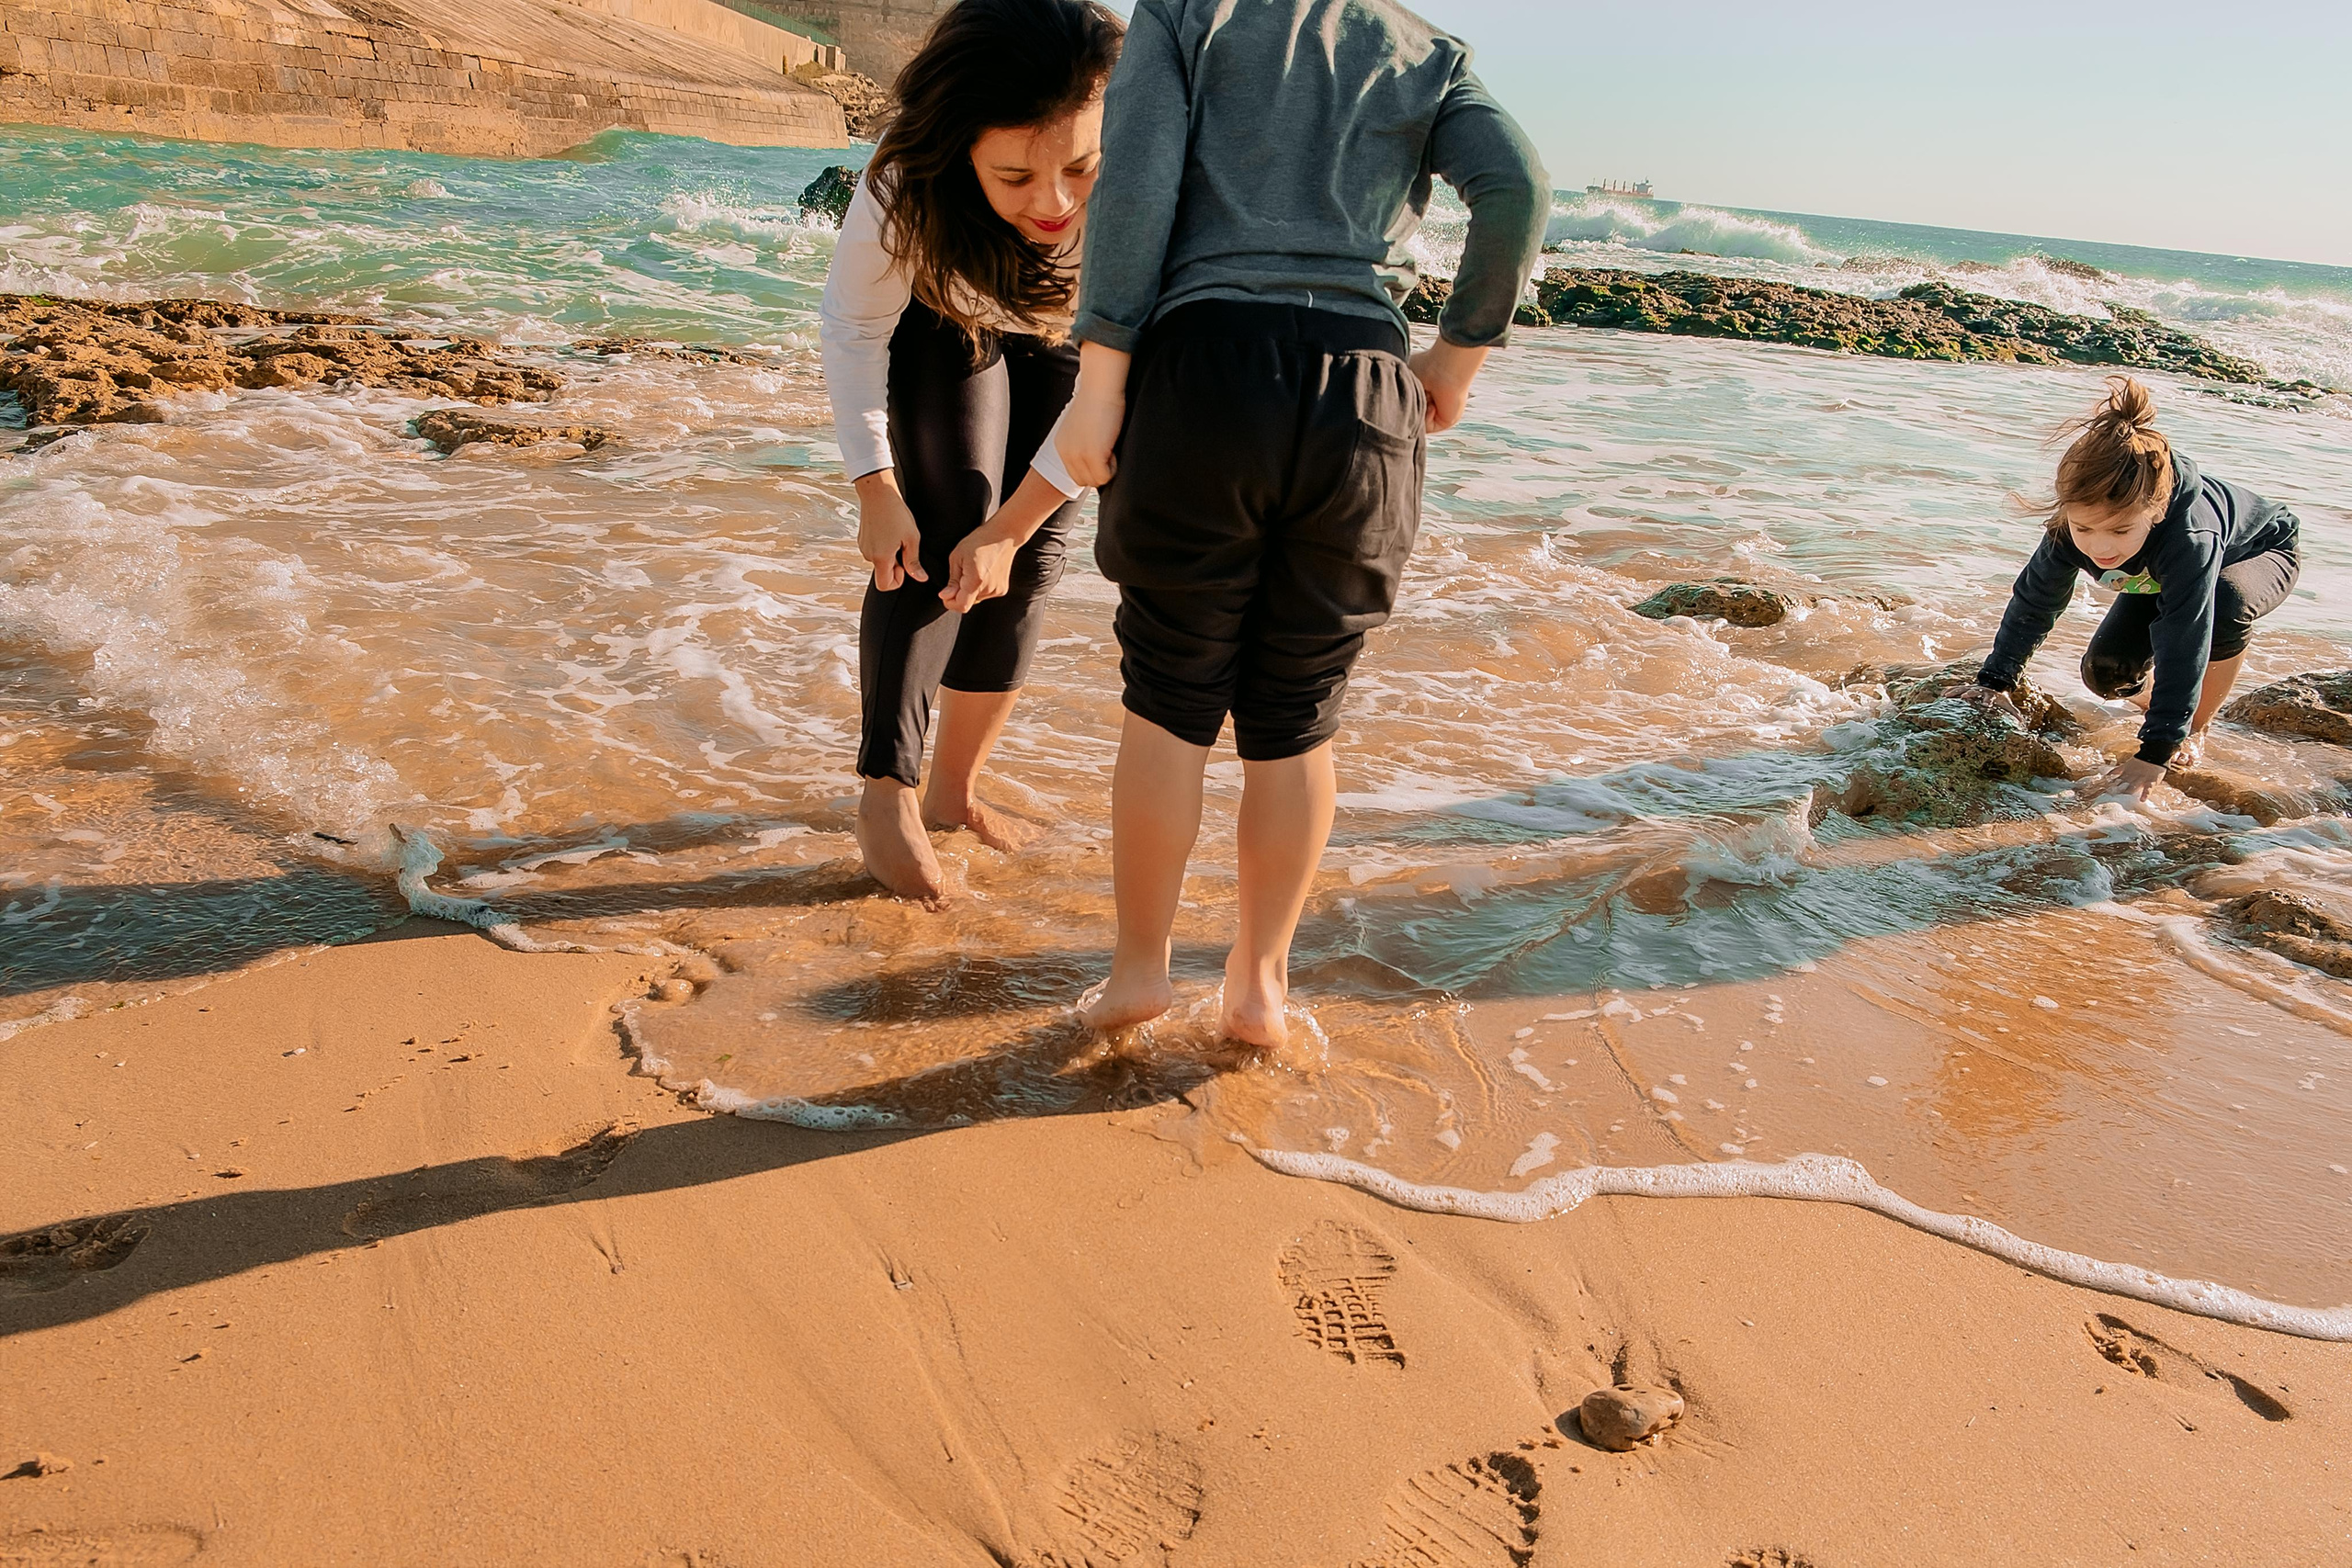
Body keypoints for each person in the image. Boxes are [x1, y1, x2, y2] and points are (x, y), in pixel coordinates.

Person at [1054, 0, 1549, 1047]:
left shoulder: (1189, 12)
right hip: (1365, 395)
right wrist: (1453, 360)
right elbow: (1516, 189)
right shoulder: (1425, 50)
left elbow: (1137, 182)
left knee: (1170, 696)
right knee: (1297, 710)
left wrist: (1101, 379)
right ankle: (1259, 990)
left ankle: (1140, 974)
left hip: (1207, 377)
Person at [819, 0, 1123, 903]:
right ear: (960, 150)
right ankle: (886, 791)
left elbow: (1108, 403)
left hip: (1072, 338)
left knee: (1025, 560)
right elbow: (853, 329)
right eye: (1014, 175)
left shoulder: (1154, 183)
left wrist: (1018, 527)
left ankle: (953, 795)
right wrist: (875, 487)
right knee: (949, 518)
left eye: (1079, 167)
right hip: (942, 319)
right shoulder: (903, 188)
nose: (1054, 203)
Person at [1955, 376, 2302, 802]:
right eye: (2085, 528)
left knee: (2224, 600)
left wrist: (2156, 751)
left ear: (2156, 512)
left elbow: (2183, 640)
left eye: (2119, 530)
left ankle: (2194, 726)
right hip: (2163, 570)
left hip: (2259, 553)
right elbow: (2036, 600)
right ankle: (2172, 709)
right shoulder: (2070, 530)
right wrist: (1995, 680)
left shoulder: (2189, 539)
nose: (2101, 547)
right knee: (2107, 674)